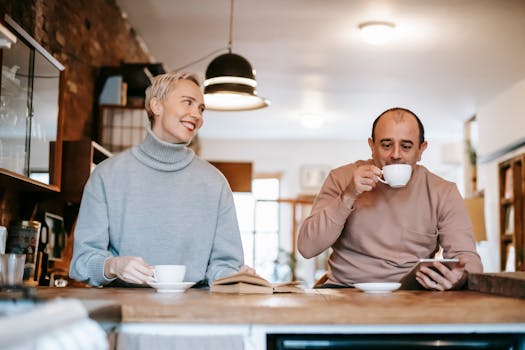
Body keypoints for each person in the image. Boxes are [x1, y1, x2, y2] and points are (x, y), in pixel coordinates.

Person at [70, 72, 251, 287]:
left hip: (196, 312)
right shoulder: (106, 175)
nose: (197, 115)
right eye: (188, 103)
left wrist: (234, 277)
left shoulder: (215, 183)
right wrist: (113, 266)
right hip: (121, 311)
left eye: (201, 109)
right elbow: (82, 262)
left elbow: (225, 264)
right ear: (156, 106)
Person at [297, 107, 483, 291]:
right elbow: (307, 247)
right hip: (346, 288)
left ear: (421, 150)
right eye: (386, 145)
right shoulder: (342, 178)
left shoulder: (443, 191)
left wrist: (458, 277)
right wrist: (348, 195)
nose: (395, 154)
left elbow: (467, 258)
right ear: (372, 146)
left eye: (406, 146)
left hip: (414, 293)